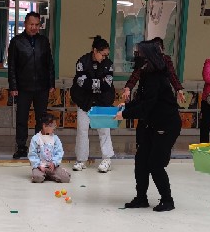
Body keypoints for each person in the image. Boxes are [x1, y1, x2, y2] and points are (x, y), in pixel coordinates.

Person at [117, 39, 182, 212]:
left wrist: (125, 114)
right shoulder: (147, 74)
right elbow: (142, 100)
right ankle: (141, 198)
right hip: (152, 124)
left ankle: (167, 200)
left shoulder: (157, 77)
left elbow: (147, 106)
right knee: (141, 160)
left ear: (148, 57)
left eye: (139, 54)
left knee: (155, 163)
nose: (136, 56)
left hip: (166, 124)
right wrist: (127, 107)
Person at [7, 12, 55, 159]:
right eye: (31, 24)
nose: (34, 27)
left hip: (42, 86)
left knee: (41, 118)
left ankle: (39, 146)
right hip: (23, 87)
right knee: (22, 118)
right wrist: (13, 86)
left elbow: (49, 64)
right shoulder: (16, 42)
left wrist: (51, 83)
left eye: (36, 25)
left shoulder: (44, 41)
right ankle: (21, 147)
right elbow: (12, 66)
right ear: (25, 24)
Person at [69, 35, 116, 173]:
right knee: (82, 130)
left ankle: (107, 159)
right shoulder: (82, 61)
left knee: (104, 130)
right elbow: (81, 82)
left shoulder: (108, 64)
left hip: (102, 102)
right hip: (84, 101)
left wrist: (92, 84)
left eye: (107, 55)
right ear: (95, 51)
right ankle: (81, 160)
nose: (105, 57)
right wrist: (98, 83)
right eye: (103, 54)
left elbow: (107, 84)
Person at [122, 36, 185, 104]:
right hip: (146, 92)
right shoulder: (144, 61)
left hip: (161, 94)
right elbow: (135, 75)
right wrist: (128, 88)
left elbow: (172, 74)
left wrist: (178, 89)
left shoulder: (165, 60)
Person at [28, 113, 71, 184]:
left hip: (52, 167)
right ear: (44, 126)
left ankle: (48, 175)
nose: (54, 127)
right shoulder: (35, 139)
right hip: (40, 167)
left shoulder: (55, 138)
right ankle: (46, 175)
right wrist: (38, 165)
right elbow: (32, 154)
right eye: (52, 126)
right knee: (38, 178)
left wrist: (54, 163)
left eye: (55, 125)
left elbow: (59, 152)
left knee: (66, 179)